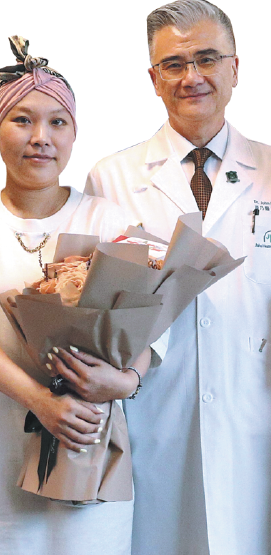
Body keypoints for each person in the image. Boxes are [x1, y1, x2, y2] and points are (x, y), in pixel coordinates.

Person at [0, 36, 151, 555]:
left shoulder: (108, 221)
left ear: (74, 134)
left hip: (89, 452)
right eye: (22, 120)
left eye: (57, 122)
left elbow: (145, 329)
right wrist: (41, 402)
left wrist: (124, 381)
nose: (40, 138)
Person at [85, 1, 271, 554]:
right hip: (153, 414)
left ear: (235, 68)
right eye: (174, 64)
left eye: (207, 59)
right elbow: (94, 308)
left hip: (253, 406)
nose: (192, 77)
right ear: (153, 79)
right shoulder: (111, 178)